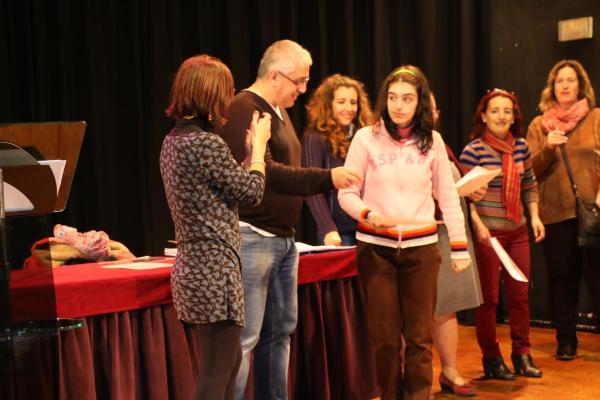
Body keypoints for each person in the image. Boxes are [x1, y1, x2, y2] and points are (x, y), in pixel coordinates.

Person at [217, 40, 361, 400]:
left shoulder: (277, 111)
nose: (303, 89)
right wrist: (328, 177)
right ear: (274, 74)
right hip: (251, 237)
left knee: (280, 332)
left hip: (282, 239)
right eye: (298, 81)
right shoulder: (244, 108)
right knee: (246, 338)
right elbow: (269, 173)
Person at [339, 65, 471, 400]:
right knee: (383, 340)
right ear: (385, 100)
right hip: (375, 251)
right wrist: (369, 215)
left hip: (422, 251)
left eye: (407, 99)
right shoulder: (365, 138)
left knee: (419, 339)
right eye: (393, 97)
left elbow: (449, 196)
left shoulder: (433, 142)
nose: (399, 105)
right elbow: (346, 194)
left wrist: (459, 247)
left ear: (420, 102)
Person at [159, 54, 271, 400]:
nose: (230, 97)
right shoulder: (206, 143)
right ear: (211, 94)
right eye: (226, 90)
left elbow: (221, 185)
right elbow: (252, 192)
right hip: (213, 270)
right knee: (214, 371)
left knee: (229, 361)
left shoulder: (175, 141)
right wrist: (260, 151)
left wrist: (249, 155)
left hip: (194, 267)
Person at [460, 89, 545, 380]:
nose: (501, 116)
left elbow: (530, 185)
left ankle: (522, 354)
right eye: (495, 110)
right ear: (483, 116)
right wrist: (477, 225)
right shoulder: (473, 150)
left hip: (518, 231)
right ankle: (491, 358)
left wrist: (534, 216)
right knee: (489, 300)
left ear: (514, 116)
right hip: (488, 235)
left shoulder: (521, 147)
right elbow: (465, 196)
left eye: (507, 111)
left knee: (520, 295)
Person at [526, 59, 600, 361]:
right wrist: (548, 148)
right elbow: (528, 170)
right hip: (556, 214)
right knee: (561, 279)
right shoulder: (539, 125)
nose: (565, 85)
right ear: (552, 88)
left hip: (593, 211)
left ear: (580, 86)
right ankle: (566, 340)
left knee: (598, 278)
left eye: (571, 80)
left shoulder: (596, 117)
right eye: (560, 81)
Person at [429, 93, 482, 397]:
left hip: (448, 232)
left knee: (446, 307)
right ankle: (407, 376)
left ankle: (450, 371)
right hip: (421, 232)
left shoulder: (440, 142)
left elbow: (452, 185)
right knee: (415, 310)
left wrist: (471, 190)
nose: (430, 111)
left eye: (433, 107)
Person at [302, 74, 373, 246]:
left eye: (353, 102)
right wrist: (328, 229)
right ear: (328, 104)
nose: (348, 108)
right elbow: (312, 188)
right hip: (338, 232)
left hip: (368, 229)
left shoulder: (366, 136)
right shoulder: (315, 138)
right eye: (341, 102)